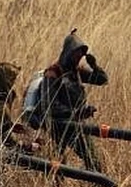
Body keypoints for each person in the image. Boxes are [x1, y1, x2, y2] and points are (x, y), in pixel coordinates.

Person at [40, 28, 109, 173]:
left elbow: (102, 80)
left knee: (93, 160)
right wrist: (76, 112)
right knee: (56, 167)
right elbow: (49, 105)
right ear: (69, 52)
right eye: (77, 53)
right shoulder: (53, 73)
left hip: (75, 124)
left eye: (82, 54)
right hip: (58, 127)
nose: (80, 57)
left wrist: (94, 66)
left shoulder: (76, 72)